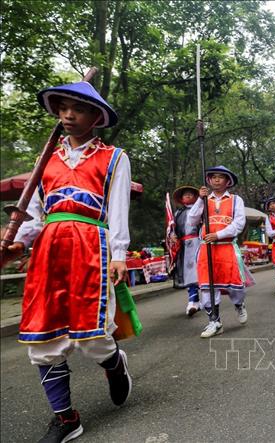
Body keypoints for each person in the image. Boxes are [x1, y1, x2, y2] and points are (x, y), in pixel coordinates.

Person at [7, 81, 132, 442]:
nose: (67, 114)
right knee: (43, 339)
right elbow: (32, 216)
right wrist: (16, 243)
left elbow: (118, 211)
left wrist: (120, 254)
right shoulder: (44, 160)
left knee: (92, 338)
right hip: (49, 250)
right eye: (62, 108)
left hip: (92, 246)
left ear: (96, 116)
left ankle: (114, 363)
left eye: (77, 108)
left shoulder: (114, 158)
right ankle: (65, 419)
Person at [188, 165, 249, 338]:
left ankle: (239, 305)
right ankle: (214, 322)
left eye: (220, 177)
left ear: (227, 181)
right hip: (207, 249)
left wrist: (218, 235)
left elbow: (238, 224)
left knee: (235, 287)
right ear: (208, 180)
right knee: (207, 287)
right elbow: (192, 220)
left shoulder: (236, 200)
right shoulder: (204, 199)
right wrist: (200, 199)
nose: (216, 179)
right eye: (213, 176)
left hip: (227, 247)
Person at [172, 185, 201, 316]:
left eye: (191, 194)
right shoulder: (178, 213)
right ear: (182, 198)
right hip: (184, 245)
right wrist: (171, 235)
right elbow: (172, 229)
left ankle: (203, 300)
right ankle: (193, 301)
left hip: (199, 242)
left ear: (195, 197)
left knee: (199, 271)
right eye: (185, 194)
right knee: (188, 273)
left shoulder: (201, 209)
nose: (188, 196)